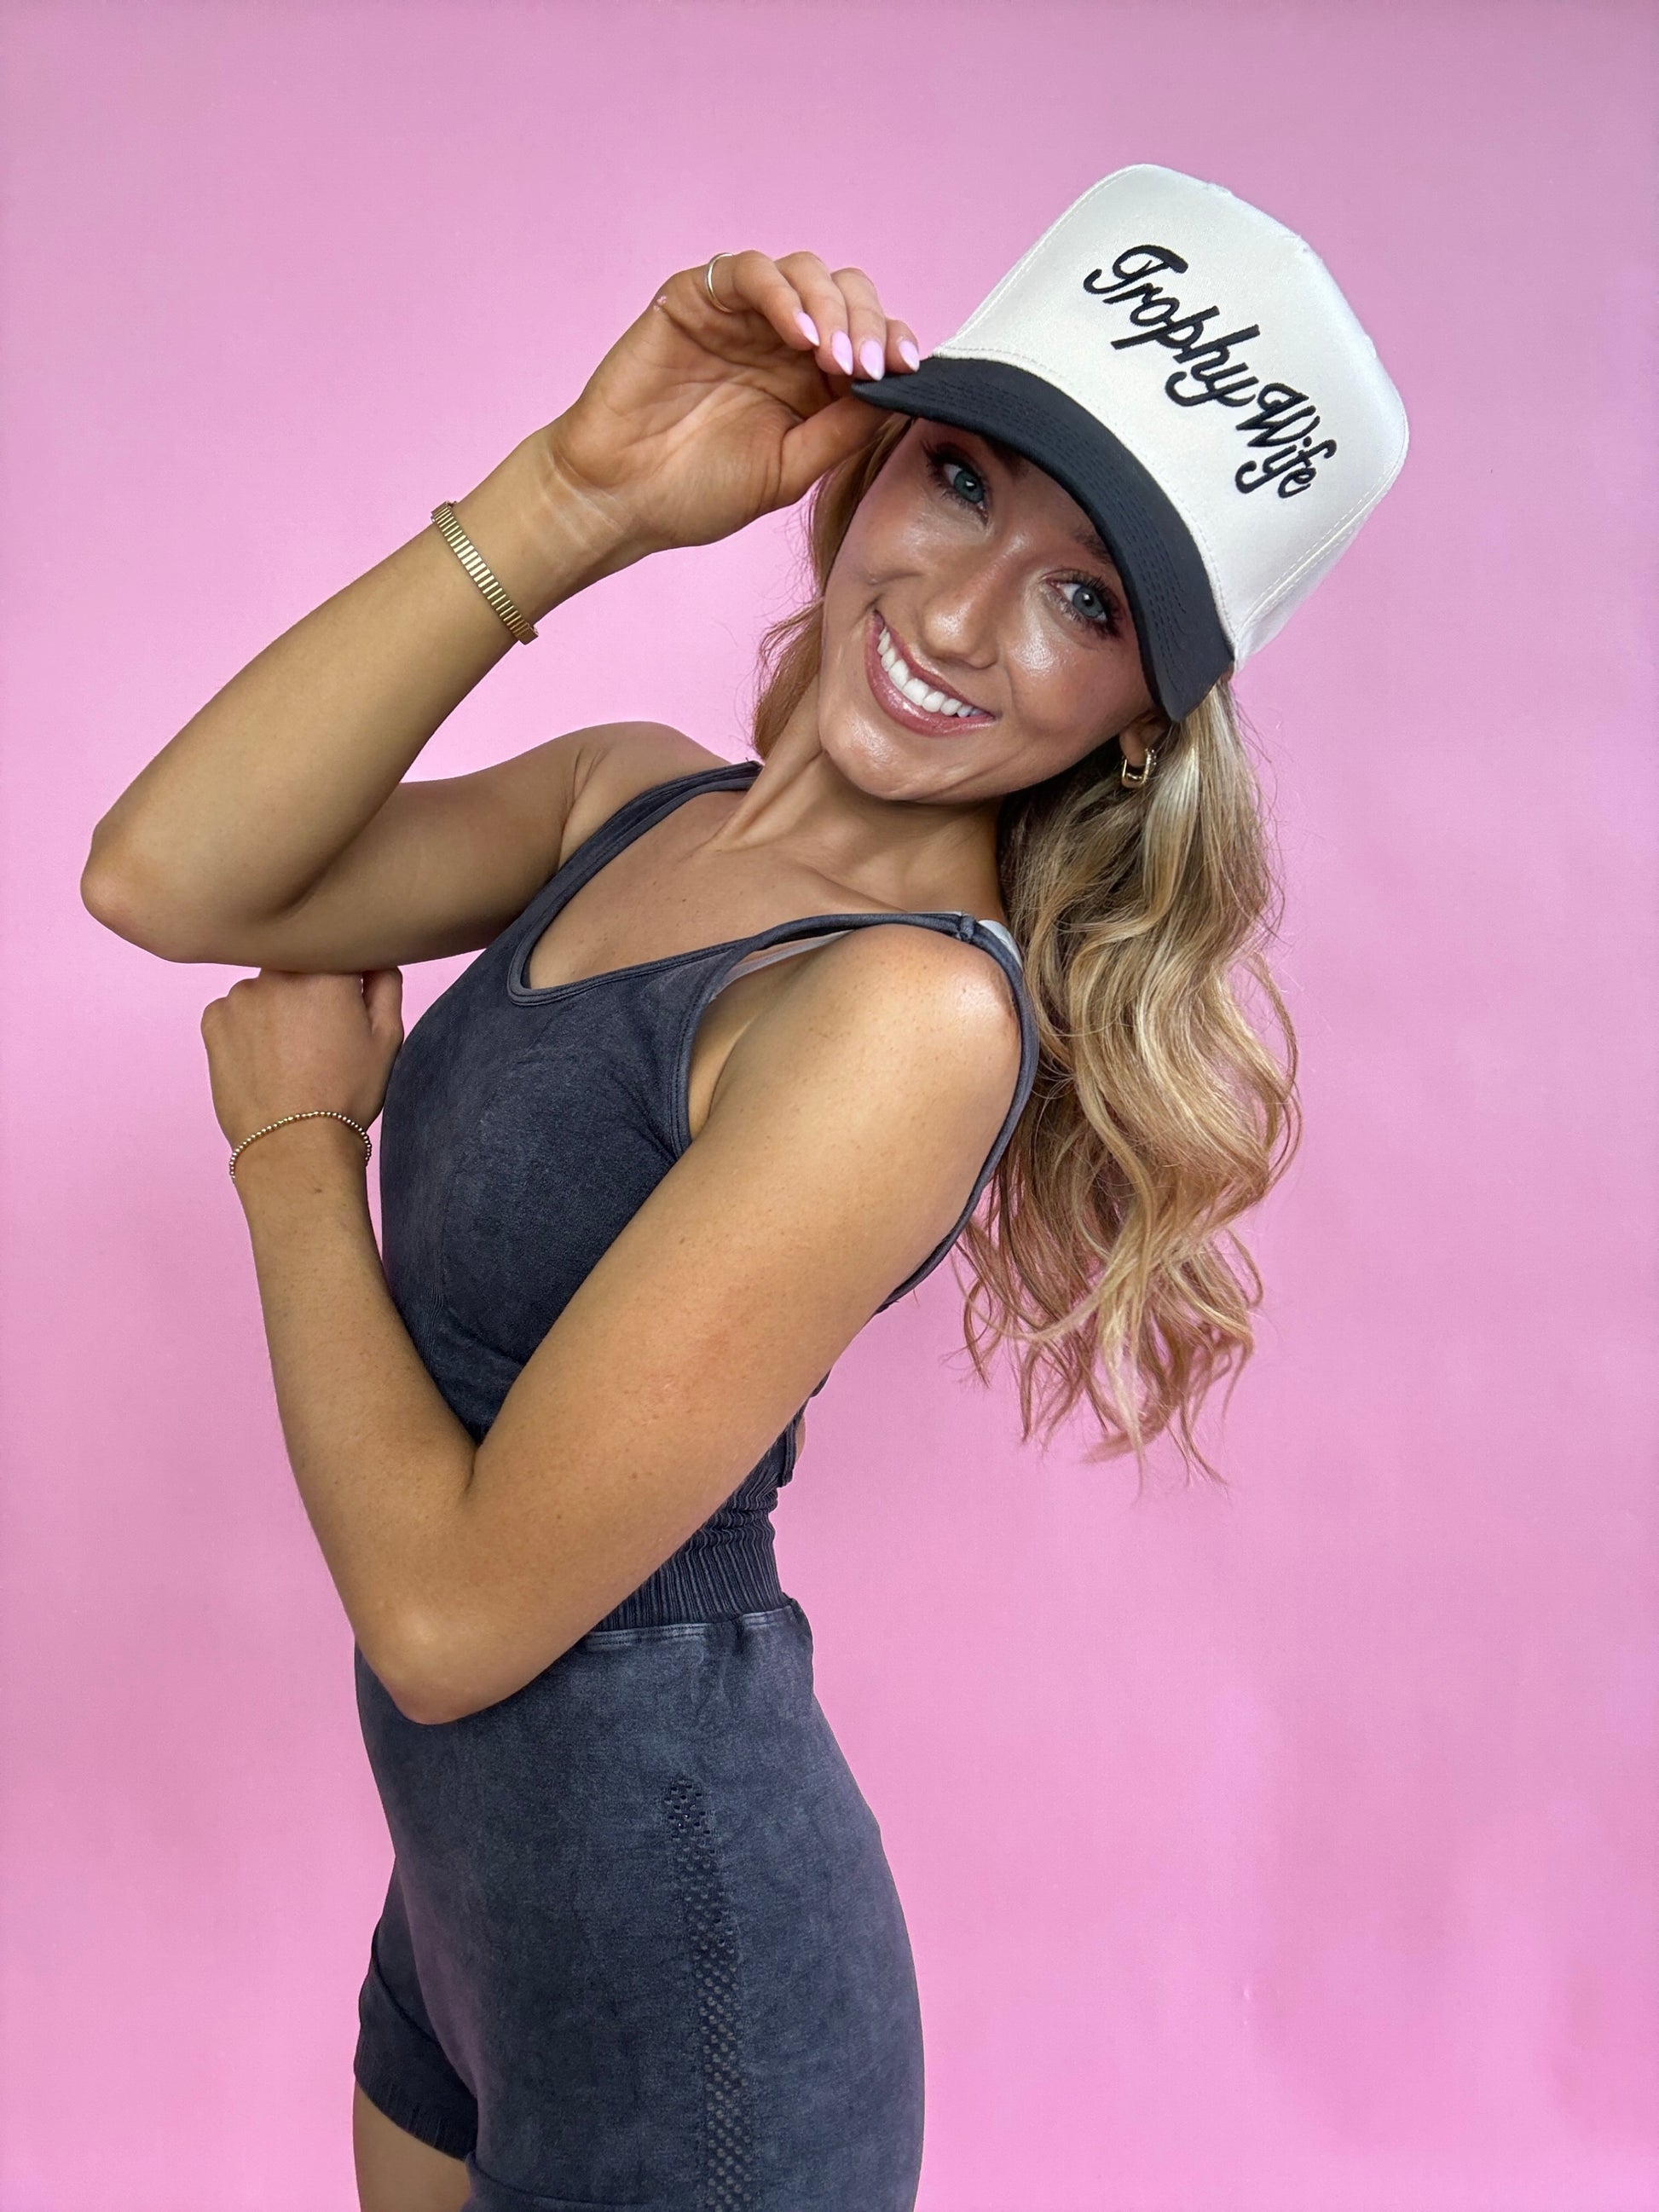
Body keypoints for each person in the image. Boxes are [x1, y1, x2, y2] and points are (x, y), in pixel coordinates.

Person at [81, 166, 1407, 2212]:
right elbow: (170, 873)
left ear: (1146, 722)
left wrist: (293, 1157)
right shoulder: (629, 802)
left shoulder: (906, 1015)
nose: (956, 616)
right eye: (960, 479)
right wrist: (572, 495)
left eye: (1085, 601)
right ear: (867, 464)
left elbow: (447, 1619)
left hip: (690, 2009)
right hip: (470, 1922)